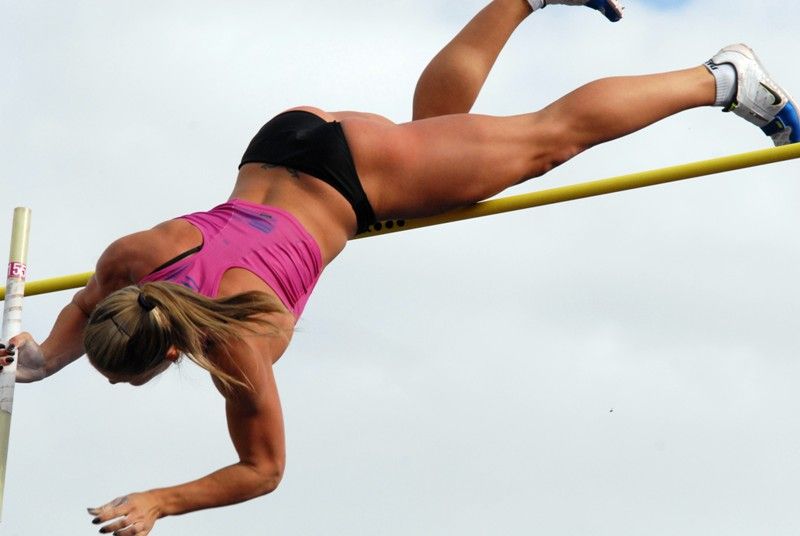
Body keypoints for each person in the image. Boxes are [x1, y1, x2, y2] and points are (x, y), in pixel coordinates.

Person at [1, 0, 798, 534]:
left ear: (174, 349)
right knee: (444, 129)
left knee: (547, 140)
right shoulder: (134, 259)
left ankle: (722, 78)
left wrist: (160, 501)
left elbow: (263, 470)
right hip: (283, 140)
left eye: (135, 378)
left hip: (354, 179)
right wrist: (38, 362)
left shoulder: (235, 350)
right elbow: (86, 306)